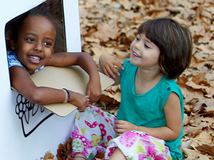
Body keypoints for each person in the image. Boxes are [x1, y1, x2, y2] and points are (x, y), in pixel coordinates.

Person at [70, 17, 193, 160]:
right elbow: (102, 80)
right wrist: (103, 60)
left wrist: (136, 130)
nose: (136, 45)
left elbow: (173, 131)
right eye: (137, 38)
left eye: (146, 46)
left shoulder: (168, 92)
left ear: (166, 58)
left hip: (157, 147)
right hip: (123, 133)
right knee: (87, 112)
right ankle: (81, 156)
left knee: (130, 141)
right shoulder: (129, 68)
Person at [8, 8, 102, 111]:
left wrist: (94, 78)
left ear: (52, 51)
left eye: (47, 43)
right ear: (13, 43)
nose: (39, 48)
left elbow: (81, 57)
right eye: (30, 40)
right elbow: (35, 94)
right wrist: (70, 96)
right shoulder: (14, 66)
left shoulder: (40, 58)